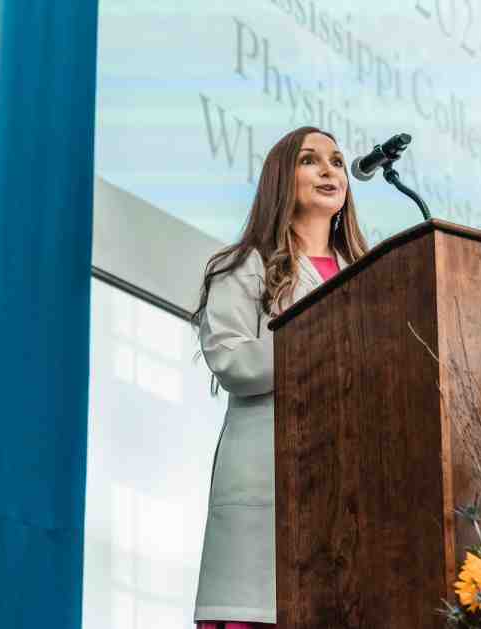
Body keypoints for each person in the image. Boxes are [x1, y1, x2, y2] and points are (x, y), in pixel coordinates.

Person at [190, 126, 369, 628]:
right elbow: (231, 360)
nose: (330, 170)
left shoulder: (372, 272)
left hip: (355, 478)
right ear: (279, 180)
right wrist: (317, 342)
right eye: (311, 160)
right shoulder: (242, 265)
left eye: (336, 161)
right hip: (270, 477)